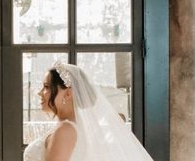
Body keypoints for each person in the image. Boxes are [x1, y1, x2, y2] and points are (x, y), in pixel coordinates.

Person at [24, 62, 155, 161]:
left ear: (68, 94)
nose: (40, 93)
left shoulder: (66, 130)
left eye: (46, 87)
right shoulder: (71, 126)